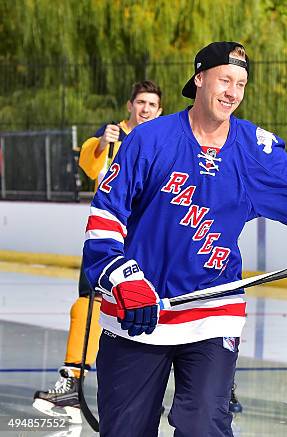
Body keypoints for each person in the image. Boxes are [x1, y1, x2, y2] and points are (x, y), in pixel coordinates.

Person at [80, 41, 287, 437]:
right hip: (140, 312)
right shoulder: (149, 140)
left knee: (204, 424)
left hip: (212, 311)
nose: (232, 92)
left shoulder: (254, 149)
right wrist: (122, 277)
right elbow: (106, 216)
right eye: (225, 79)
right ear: (199, 79)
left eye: (241, 84)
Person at [33, 80, 163, 424]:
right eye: (141, 102)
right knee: (87, 304)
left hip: (149, 239)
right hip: (110, 237)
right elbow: (91, 166)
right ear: (129, 105)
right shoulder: (112, 135)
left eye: (152, 104)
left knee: (152, 311)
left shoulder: (164, 139)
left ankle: (153, 391)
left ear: (159, 110)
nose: (146, 109)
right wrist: (103, 144)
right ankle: (72, 382)